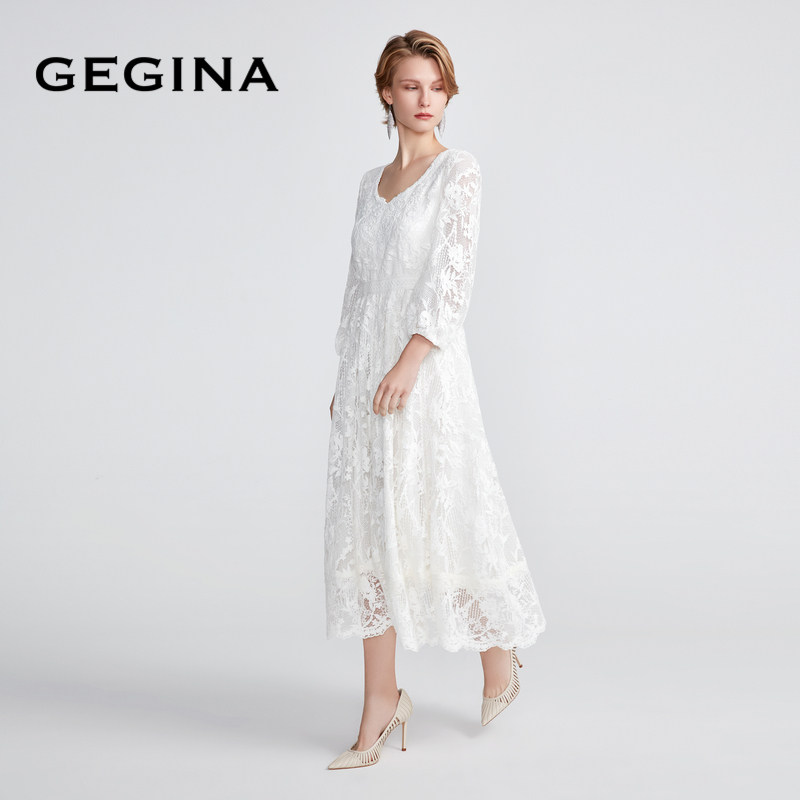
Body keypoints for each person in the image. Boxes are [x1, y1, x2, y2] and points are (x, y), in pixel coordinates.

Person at [324, 30, 547, 770]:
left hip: (423, 371)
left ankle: (499, 652)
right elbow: (359, 288)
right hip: (368, 374)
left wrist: (410, 359)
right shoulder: (369, 184)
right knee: (369, 534)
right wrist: (346, 377)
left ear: (448, 94)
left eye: (437, 86)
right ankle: (380, 701)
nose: (425, 99)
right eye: (411, 86)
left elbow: (452, 274)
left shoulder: (459, 171)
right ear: (386, 94)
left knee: (444, 513)